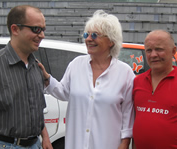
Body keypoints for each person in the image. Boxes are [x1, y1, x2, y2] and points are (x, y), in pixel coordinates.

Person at [38, 10, 135, 149]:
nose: (88, 39)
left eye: (95, 35)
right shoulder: (76, 64)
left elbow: (128, 114)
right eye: (86, 34)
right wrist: (47, 78)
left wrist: (125, 143)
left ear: (111, 41)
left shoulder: (125, 73)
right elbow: (64, 92)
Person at [0, 5, 53, 149]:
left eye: (43, 29)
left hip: (35, 145)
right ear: (15, 29)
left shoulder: (36, 67)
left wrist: (45, 137)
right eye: (36, 29)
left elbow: (37, 110)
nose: (42, 35)